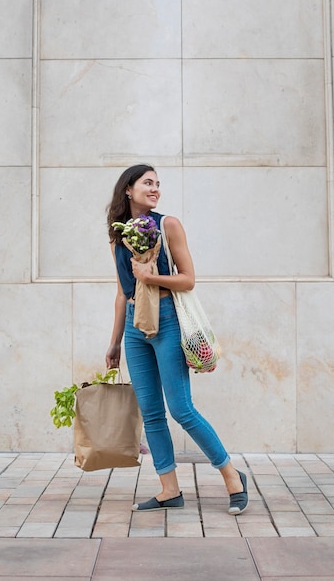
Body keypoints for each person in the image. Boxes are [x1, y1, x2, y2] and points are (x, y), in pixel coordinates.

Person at [105, 164, 248, 514]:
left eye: (157, 184)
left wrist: (151, 278)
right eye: (147, 183)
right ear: (128, 189)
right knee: (152, 413)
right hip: (137, 329)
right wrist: (115, 341)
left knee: (182, 409)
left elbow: (188, 280)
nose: (155, 189)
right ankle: (170, 489)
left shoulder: (168, 225)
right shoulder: (117, 235)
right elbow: (123, 292)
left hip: (168, 319)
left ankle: (231, 475)